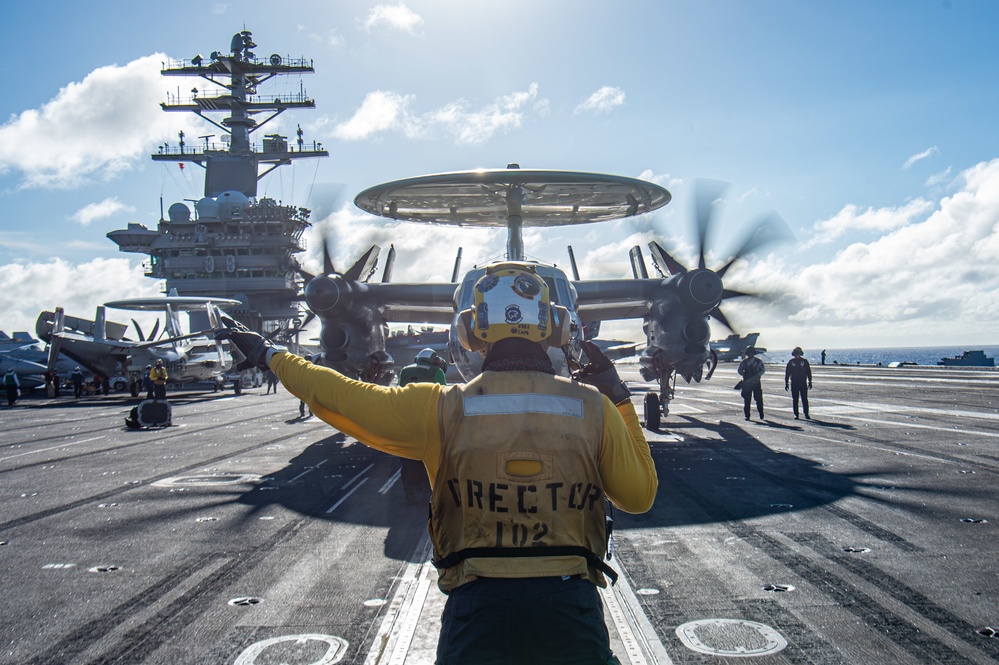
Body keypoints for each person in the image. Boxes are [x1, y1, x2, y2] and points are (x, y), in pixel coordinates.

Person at [219, 262, 657, 664]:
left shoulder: (440, 409)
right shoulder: (593, 408)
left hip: (477, 607)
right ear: (559, 328)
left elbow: (337, 394)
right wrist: (619, 397)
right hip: (571, 606)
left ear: (468, 333)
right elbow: (638, 497)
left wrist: (270, 355)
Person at [398, 348, 448, 504]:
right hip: (428, 421)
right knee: (431, 456)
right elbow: (444, 396)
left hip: (407, 423)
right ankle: (430, 489)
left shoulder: (404, 371)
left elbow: (399, 395)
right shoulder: (437, 372)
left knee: (409, 458)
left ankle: (409, 490)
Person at [738, 347, 766, 421]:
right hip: (747, 383)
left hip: (756, 383)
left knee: (759, 399)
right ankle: (747, 415)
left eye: (751, 353)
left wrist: (758, 375)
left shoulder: (758, 361)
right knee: (747, 400)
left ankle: (761, 413)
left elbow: (762, 370)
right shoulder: (744, 362)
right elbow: (740, 370)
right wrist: (744, 374)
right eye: (749, 353)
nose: (750, 354)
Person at [784, 347, 813, 419]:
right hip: (794, 383)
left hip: (803, 382)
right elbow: (787, 373)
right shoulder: (791, 362)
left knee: (804, 399)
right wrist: (786, 383)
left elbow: (808, 372)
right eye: (796, 354)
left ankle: (806, 413)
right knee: (795, 399)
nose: (797, 355)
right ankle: (796, 414)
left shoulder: (805, 361)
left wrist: (810, 381)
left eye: (798, 354)